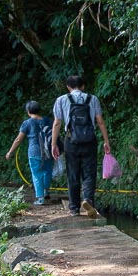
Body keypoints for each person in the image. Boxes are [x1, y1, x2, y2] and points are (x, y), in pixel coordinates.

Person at [51, 75, 111, 216]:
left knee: (73, 174)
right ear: (83, 86)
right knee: (89, 173)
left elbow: (57, 123)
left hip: (71, 141)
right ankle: (88, 199)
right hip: (89, 141)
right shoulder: (93, 99)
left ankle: (74, 209)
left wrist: (54, 144)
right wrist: (106, 141)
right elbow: (100, 121)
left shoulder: (61, 100)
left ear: (68, 87)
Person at [5, 101, 55, 206]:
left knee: (37, 174)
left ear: (28, 111)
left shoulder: (27, 123)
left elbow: (18, 139)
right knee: (47, 171)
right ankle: (46, 191)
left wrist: (10, 152)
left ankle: (40, 198)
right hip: (48, 150)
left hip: (35, 151)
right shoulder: (48, 121)